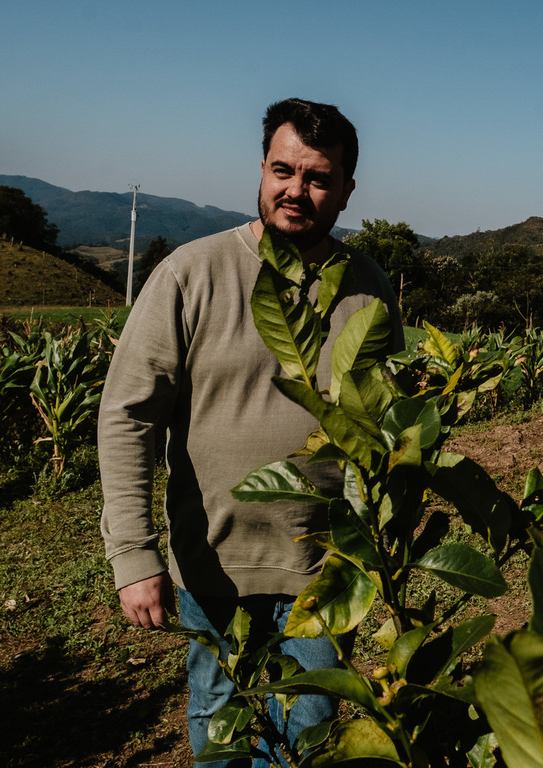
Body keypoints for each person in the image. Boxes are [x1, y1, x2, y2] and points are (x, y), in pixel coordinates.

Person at [98, 98, 403, 764]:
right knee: (219, 719)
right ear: (263, 169)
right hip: (214, 561)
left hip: (323, 569)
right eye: (283, 170)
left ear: (347, 190)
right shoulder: (192, 274)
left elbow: (386, 424)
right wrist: (133, 554)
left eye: (318, 178)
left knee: (311, 729)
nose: (297, 190)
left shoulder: (369, 289)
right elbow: (128, 416)